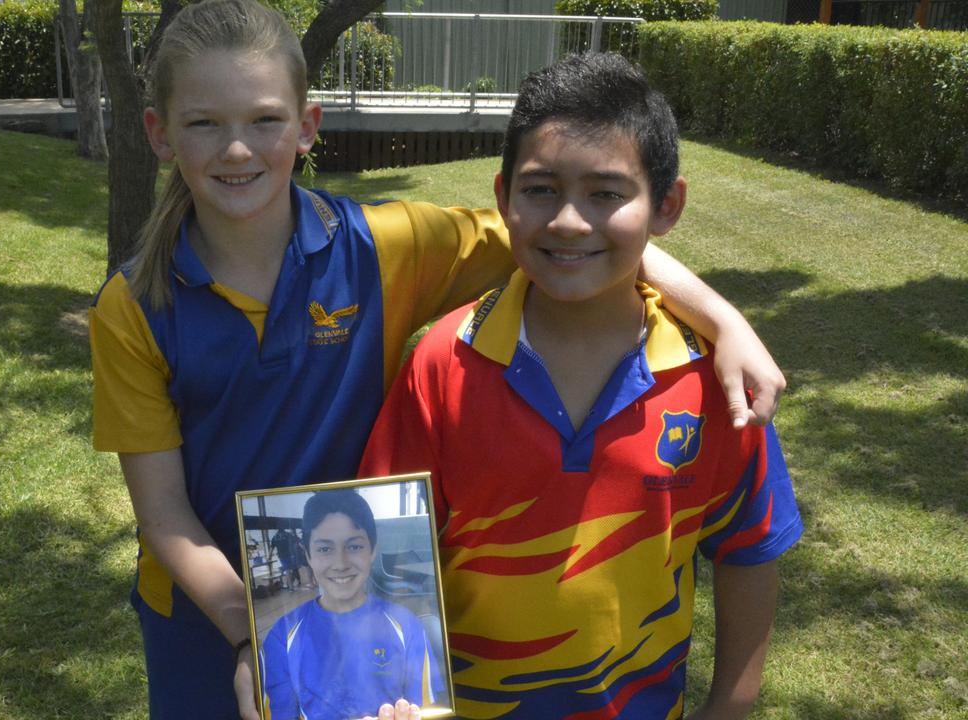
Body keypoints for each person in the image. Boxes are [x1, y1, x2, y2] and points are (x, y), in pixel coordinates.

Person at [88, 1, 787, 717]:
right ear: (160, 133)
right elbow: (164, 514)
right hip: (209, 617)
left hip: (364, 596)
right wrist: (251, 635)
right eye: (204, 123)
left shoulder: (384, 248)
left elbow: (569, 237)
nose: (237, 150)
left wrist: (723, 320)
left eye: (264, 119)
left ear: (306, 127)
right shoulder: (135, 309)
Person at [358, 53, 804, 719]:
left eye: (607, 194)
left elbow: (749, 549)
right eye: (541, 190)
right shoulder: (443, 364)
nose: (569, 221)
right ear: (504, 196)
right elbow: (385, 560)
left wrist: (730, 707)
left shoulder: (714, 380)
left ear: (667, 205)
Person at [261, 491, 442, 719]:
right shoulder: (281, 637)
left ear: (373, 550)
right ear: (308, 556)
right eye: (325, 549)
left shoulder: (407, 626)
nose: (341, 563)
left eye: (354, 547)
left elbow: (425, 710)